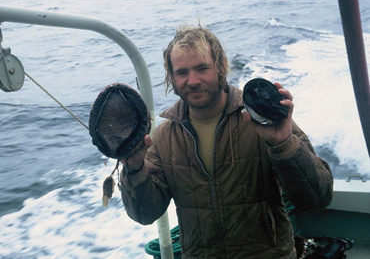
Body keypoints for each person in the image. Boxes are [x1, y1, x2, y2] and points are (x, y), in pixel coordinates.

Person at [119, 26, 333, 259]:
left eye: (202, 68)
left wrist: (283, 145)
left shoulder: (261, 119)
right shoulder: (163, 137)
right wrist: (134, 168)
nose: (192, 81)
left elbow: (317, 198)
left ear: (221, 66)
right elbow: (144, 214)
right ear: (171, 76)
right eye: (182, 72)